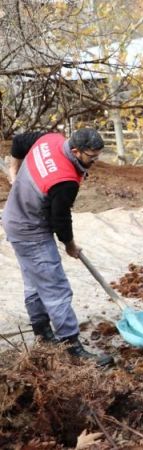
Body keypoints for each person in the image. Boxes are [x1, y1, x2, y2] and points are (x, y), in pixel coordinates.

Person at [2, 129, 113, 366]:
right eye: (91, 157)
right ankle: (72, 347)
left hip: (13, 218)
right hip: (30, 228)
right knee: (56, 287)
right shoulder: (65, 181)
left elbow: (19, 142)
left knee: (35, 280)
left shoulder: (50, 139)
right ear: (75, 151)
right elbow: (60, 220)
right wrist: (70, 245)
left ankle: (43, 334)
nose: (95, 161)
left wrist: (14, 172)